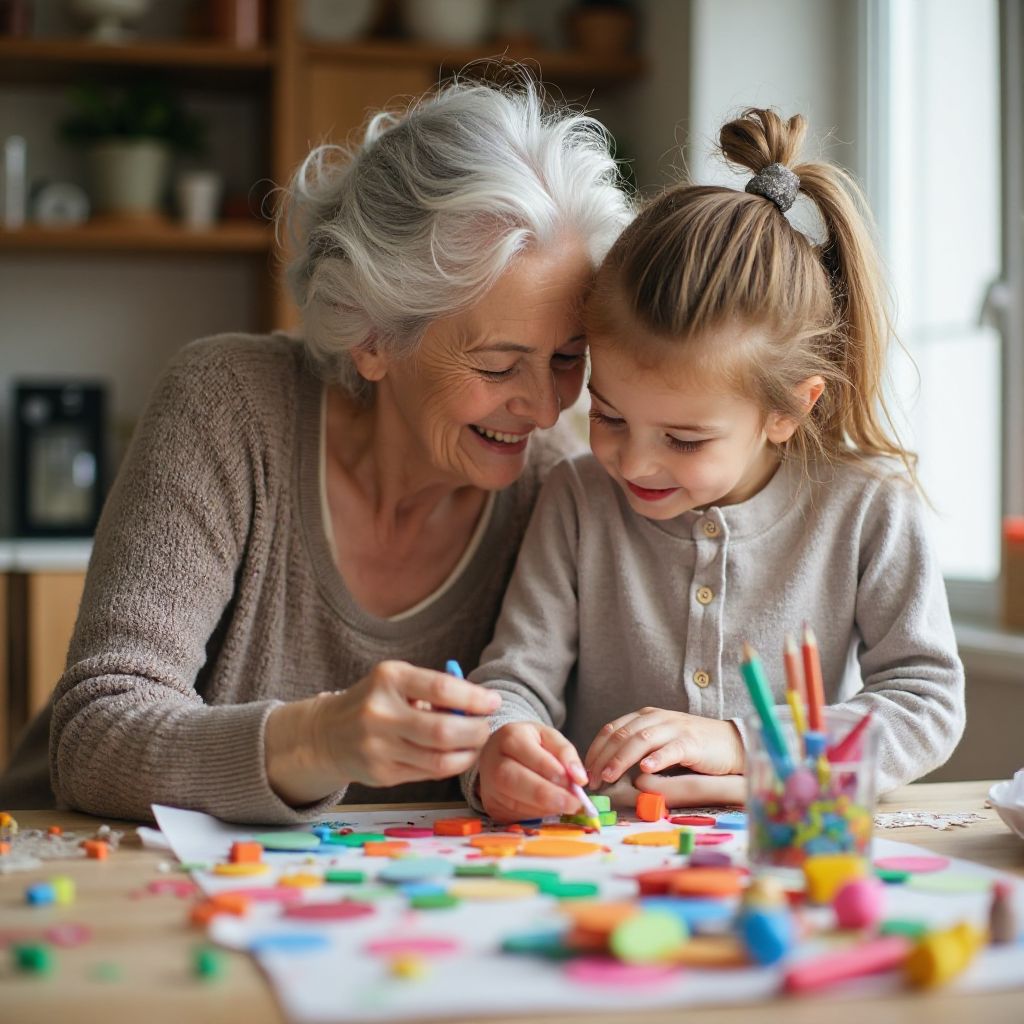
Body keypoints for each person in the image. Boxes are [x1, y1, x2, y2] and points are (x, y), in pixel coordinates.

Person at [0, 80, 632, 823]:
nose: (547, 407)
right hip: (86, 865)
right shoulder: (230, 406)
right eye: (497, 367)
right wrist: (320, 739)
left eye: (567, 358)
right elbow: (94, 735)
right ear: (371, 336)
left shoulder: (558, 482)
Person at [468, 108, 965, 823]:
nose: (633, 461)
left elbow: (925, 701)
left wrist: (743, 745)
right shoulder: (577, 497)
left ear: (788, 410)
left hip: (792, 854)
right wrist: (500, 747)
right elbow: (514, 683)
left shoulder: (867, 507)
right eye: (608, 416)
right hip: (603, 854)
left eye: (684, 439)